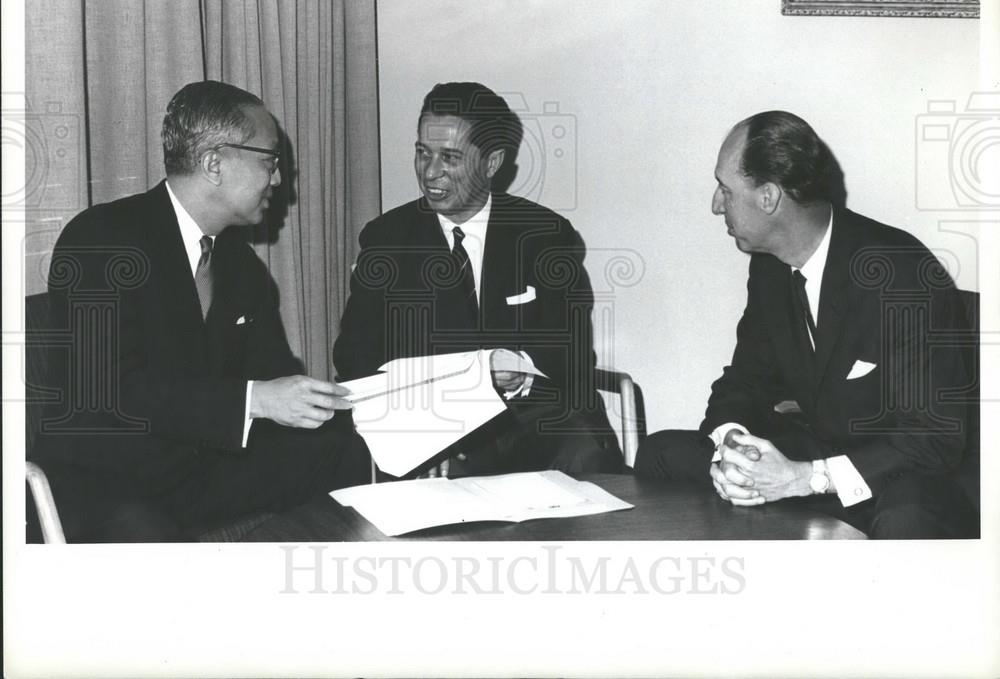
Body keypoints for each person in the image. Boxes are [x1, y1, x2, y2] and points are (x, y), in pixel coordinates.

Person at [33, 80, 371, 542]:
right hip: (108, 480)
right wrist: (257, 400)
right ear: (215, 164)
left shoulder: (240, 265)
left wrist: (348, 405)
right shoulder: (101, 237)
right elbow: (111, 390)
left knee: (346, 452)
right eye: (269, 161)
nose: (277, 179)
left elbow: (272, 375)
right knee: (142, 530)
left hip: (196, 472)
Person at [634, 110, 976, 538]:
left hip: (904, 477)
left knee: (905, 517)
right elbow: (745, 381)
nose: (716, 205)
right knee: (659, 453)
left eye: (726, 189)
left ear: (768, 198)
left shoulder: (900, 273)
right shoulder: (770, 267)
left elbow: (932, 440)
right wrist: (732, 450)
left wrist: (805, 479)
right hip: (817, 459)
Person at [333, 81, 619, 476]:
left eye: (450, 157)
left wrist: (520, 370)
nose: (430, 172)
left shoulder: (545, 235)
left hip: (528, 419)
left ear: (491, 163)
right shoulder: (387, 239)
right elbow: (354, 357)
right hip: (433, 423)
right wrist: (419, 428)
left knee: (582, 445)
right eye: (422, 153)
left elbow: (571, 353)